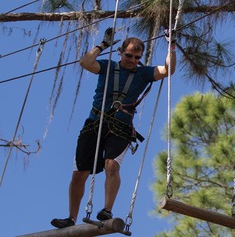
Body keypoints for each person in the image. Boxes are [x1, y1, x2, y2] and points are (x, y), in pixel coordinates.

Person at [51, 27, 176, 228]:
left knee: (111, 165)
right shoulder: (107, 66)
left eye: (137, 57)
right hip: (95, 122)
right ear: (121, 53)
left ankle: (107, 208)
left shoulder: (143, 73)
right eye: (129, 55)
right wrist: (103, 45)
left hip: (121, 126)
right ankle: (71, 218)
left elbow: (167, 70)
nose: (133, 60)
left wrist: (171, 46)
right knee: (79, 173)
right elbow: (85, 63)